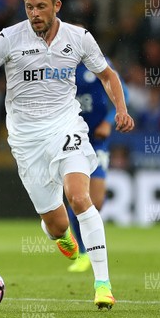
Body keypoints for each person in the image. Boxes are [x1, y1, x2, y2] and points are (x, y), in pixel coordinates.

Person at [0, 0, 134, 309]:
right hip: (26, 140)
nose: (34, 13)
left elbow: (108, 75)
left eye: (41, 6)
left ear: (57, 5)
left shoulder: (79, 37)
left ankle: (103, 285)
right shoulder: (8, 38)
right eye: (29, 6)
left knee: (79, 197)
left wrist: (121, 109)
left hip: (66, 126)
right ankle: (61, 236)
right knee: (57, 224)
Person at [66, 59, 128, 273]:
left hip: (96, 140)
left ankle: (85, 247)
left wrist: (107, 122)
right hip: (71, 138)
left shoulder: (97, 63)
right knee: (77, 196)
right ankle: (83, 252)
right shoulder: (59, 66)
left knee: (96, 201)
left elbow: (124, 94)